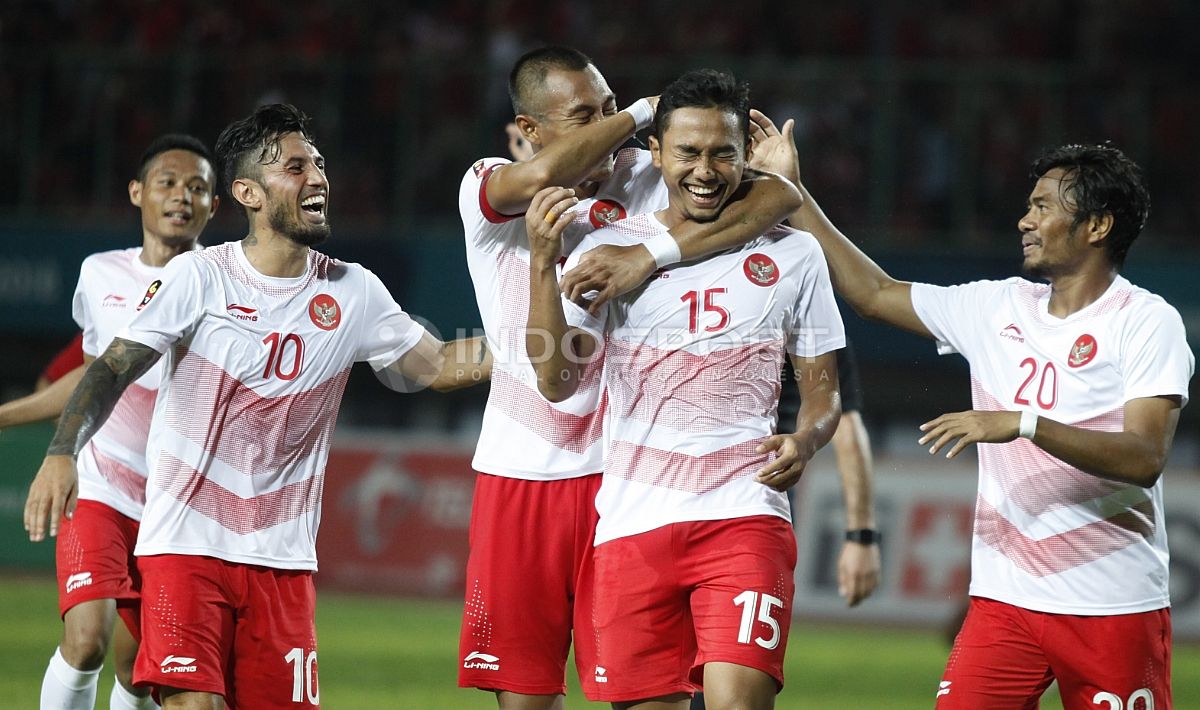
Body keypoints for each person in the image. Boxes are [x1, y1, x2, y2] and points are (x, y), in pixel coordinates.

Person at [24, 103, 491, 709]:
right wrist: (63, 451)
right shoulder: (199, 277)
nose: (318, 177)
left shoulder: (354, 291)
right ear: (247, 192)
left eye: (319, 164)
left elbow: (438, 366)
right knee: (192, 702)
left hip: (283, 562)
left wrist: (539, 337)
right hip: (185, 547)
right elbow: (110, 368)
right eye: (295, 167)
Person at [752, 111, 1193, 708]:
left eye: (1042, 207)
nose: (1025, 220)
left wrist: (1023, 423)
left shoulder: (1146, 322)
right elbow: (875, 295)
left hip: (1110, 604)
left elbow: (1144, 457)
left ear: (1097, 225)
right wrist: (793, 193)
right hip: (1003, 603)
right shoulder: (998, 308)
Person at [459, 46, 801, 710]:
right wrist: (647, 109)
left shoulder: (646, 177)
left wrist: (652, 254)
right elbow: (544, 173)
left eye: (614, 106)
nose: (615, 126)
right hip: (518, 476)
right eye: (588, 114)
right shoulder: (490, 182)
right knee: (524, 698)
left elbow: (778, 200)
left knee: (652, 695)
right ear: (529, 130)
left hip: (630, 479)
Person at [526, 68, 844, 709]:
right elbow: (557, 380)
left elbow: (822, 394)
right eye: (688, 153)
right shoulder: (610, 248)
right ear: (655, 154)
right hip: (633, 527)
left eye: (723, 153)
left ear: (743, 155)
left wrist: (807, 440)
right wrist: (541, 263)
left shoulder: (794, 255)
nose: (706, 170)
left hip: (744, 517)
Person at [3, 134, 220, 710]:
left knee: (135, 667)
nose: (181, 196)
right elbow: (94, 377)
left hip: (176, 504)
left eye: (197, 187)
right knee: (86, 641)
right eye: (167, 183)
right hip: (101, 485)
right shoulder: (99, 274)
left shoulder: (226, 285)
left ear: (214, 206)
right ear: (137, 193)